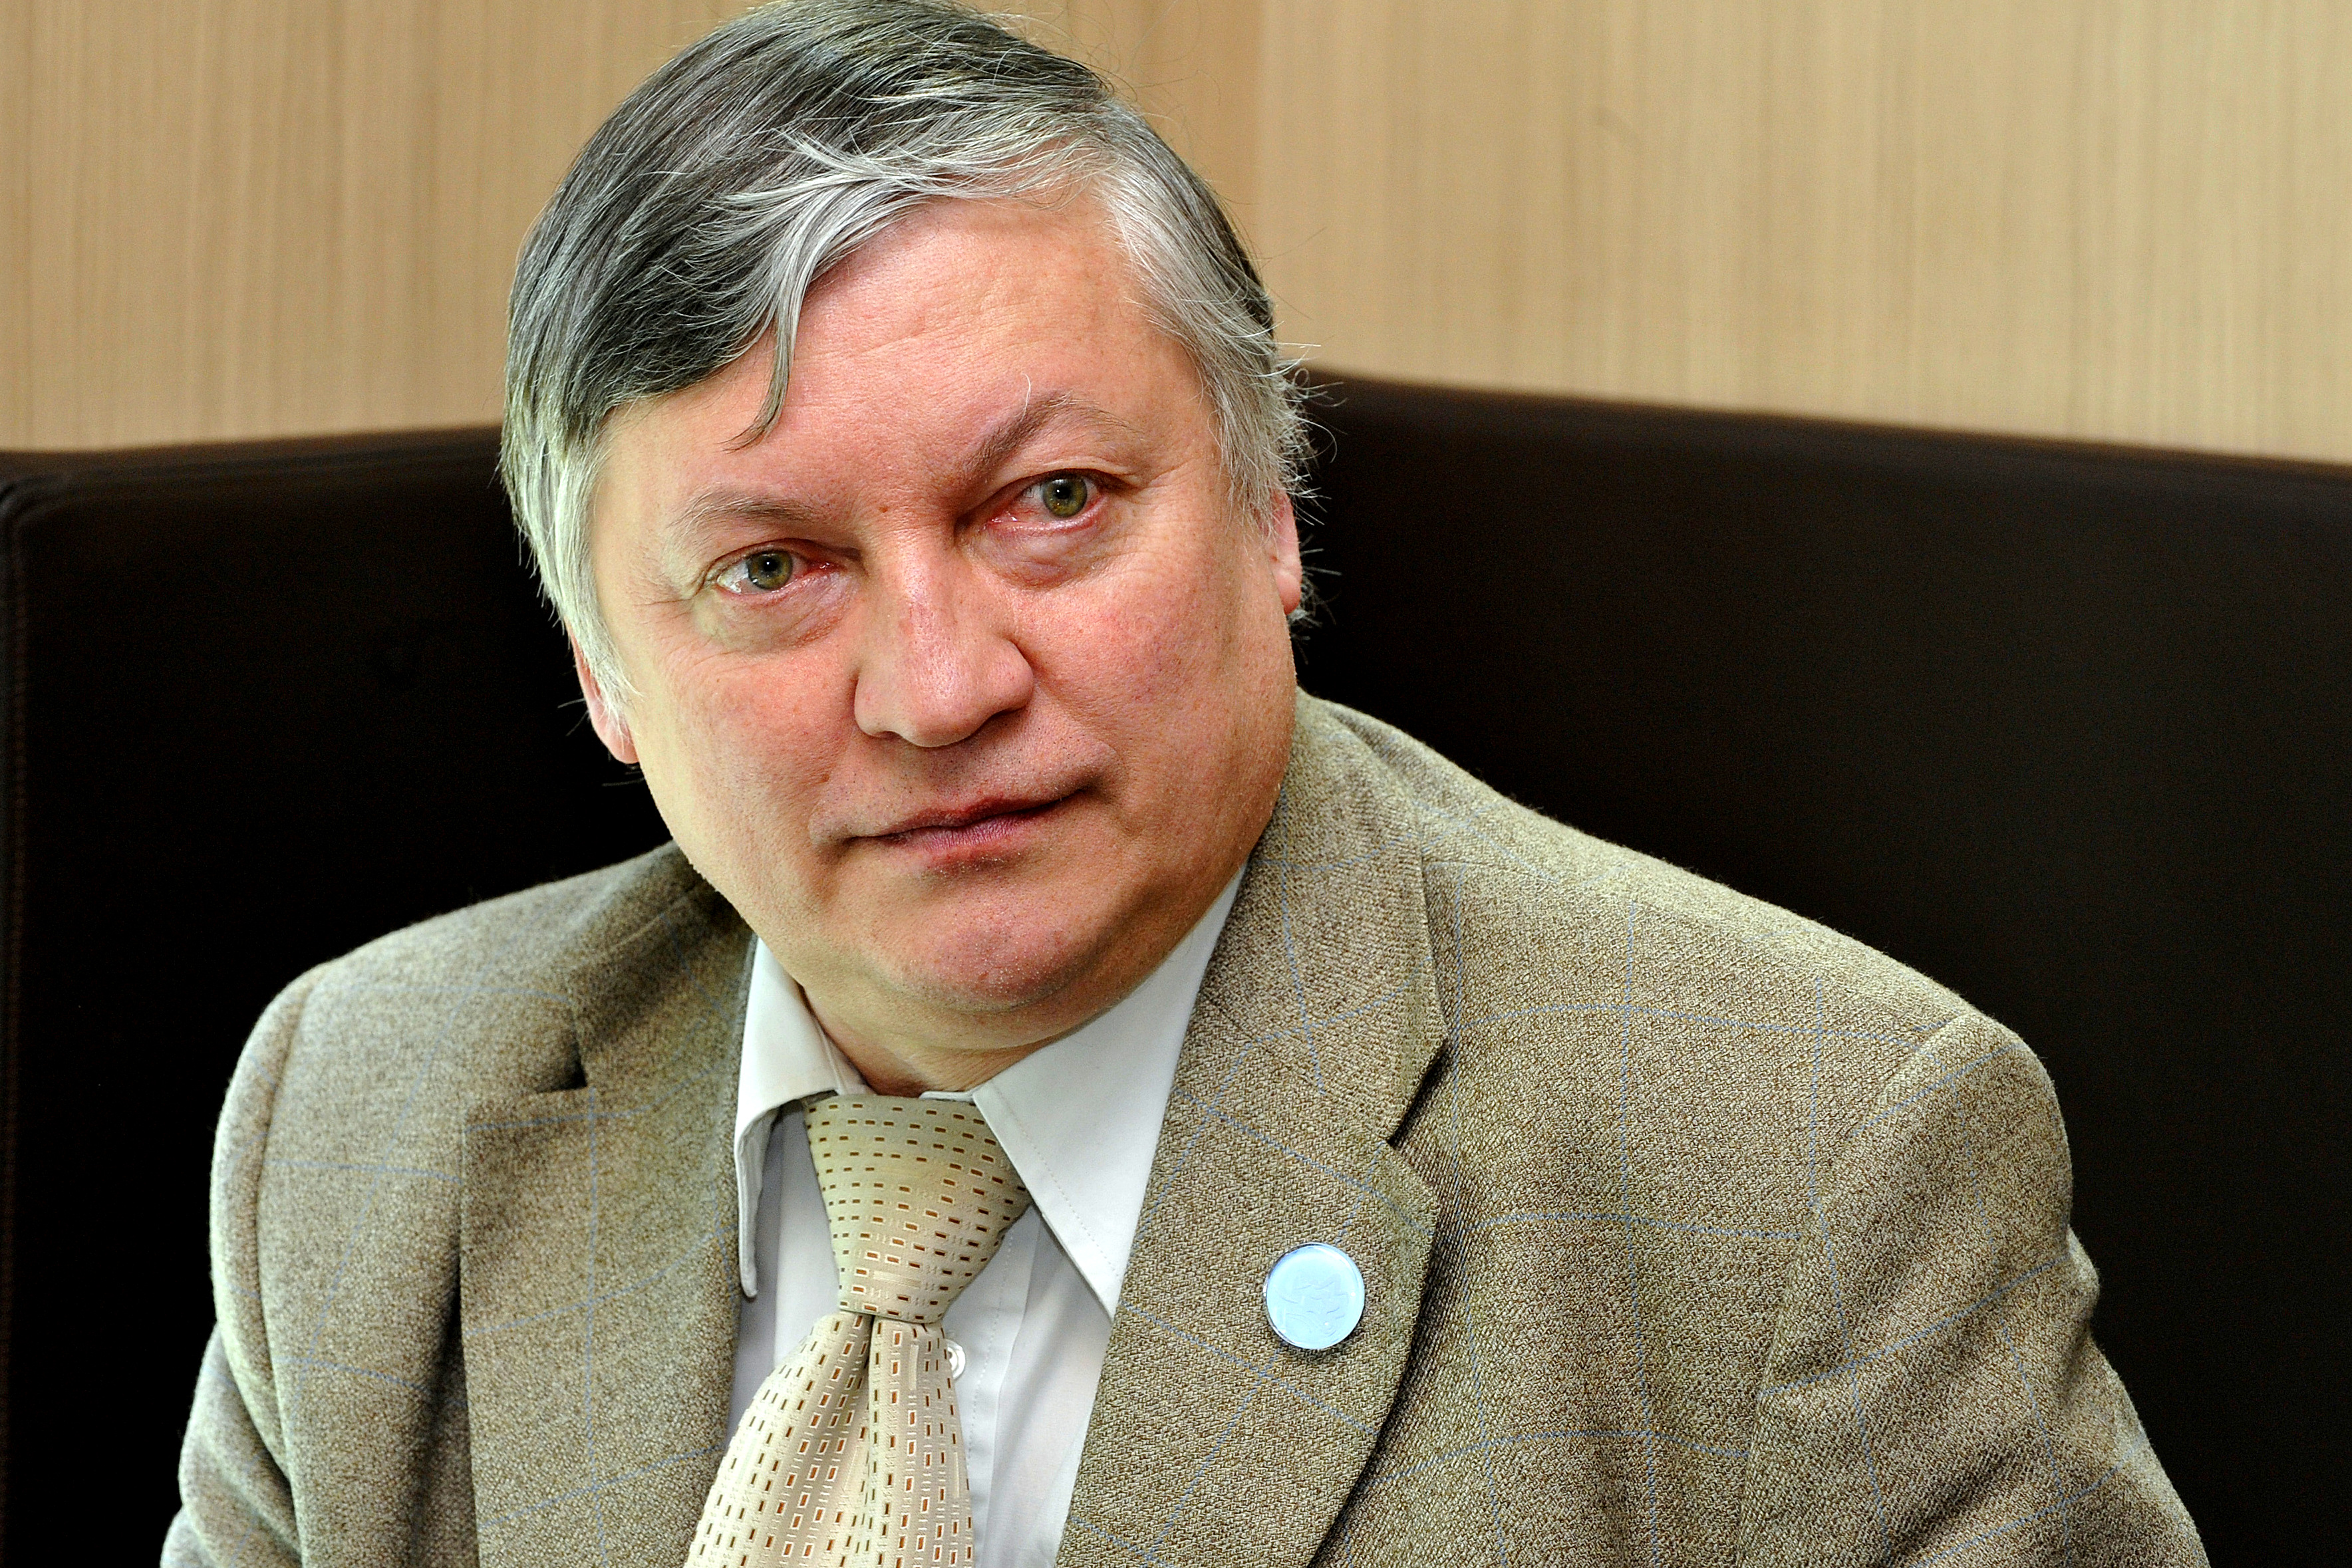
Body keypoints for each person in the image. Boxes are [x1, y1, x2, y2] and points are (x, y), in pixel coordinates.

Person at [166, 2, 2206, 1564]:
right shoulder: (357, 1121)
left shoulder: (1810, 1169)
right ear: (605, 672)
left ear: (1269, 513)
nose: (940, 690)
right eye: (772, 569)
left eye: (1053, 501)